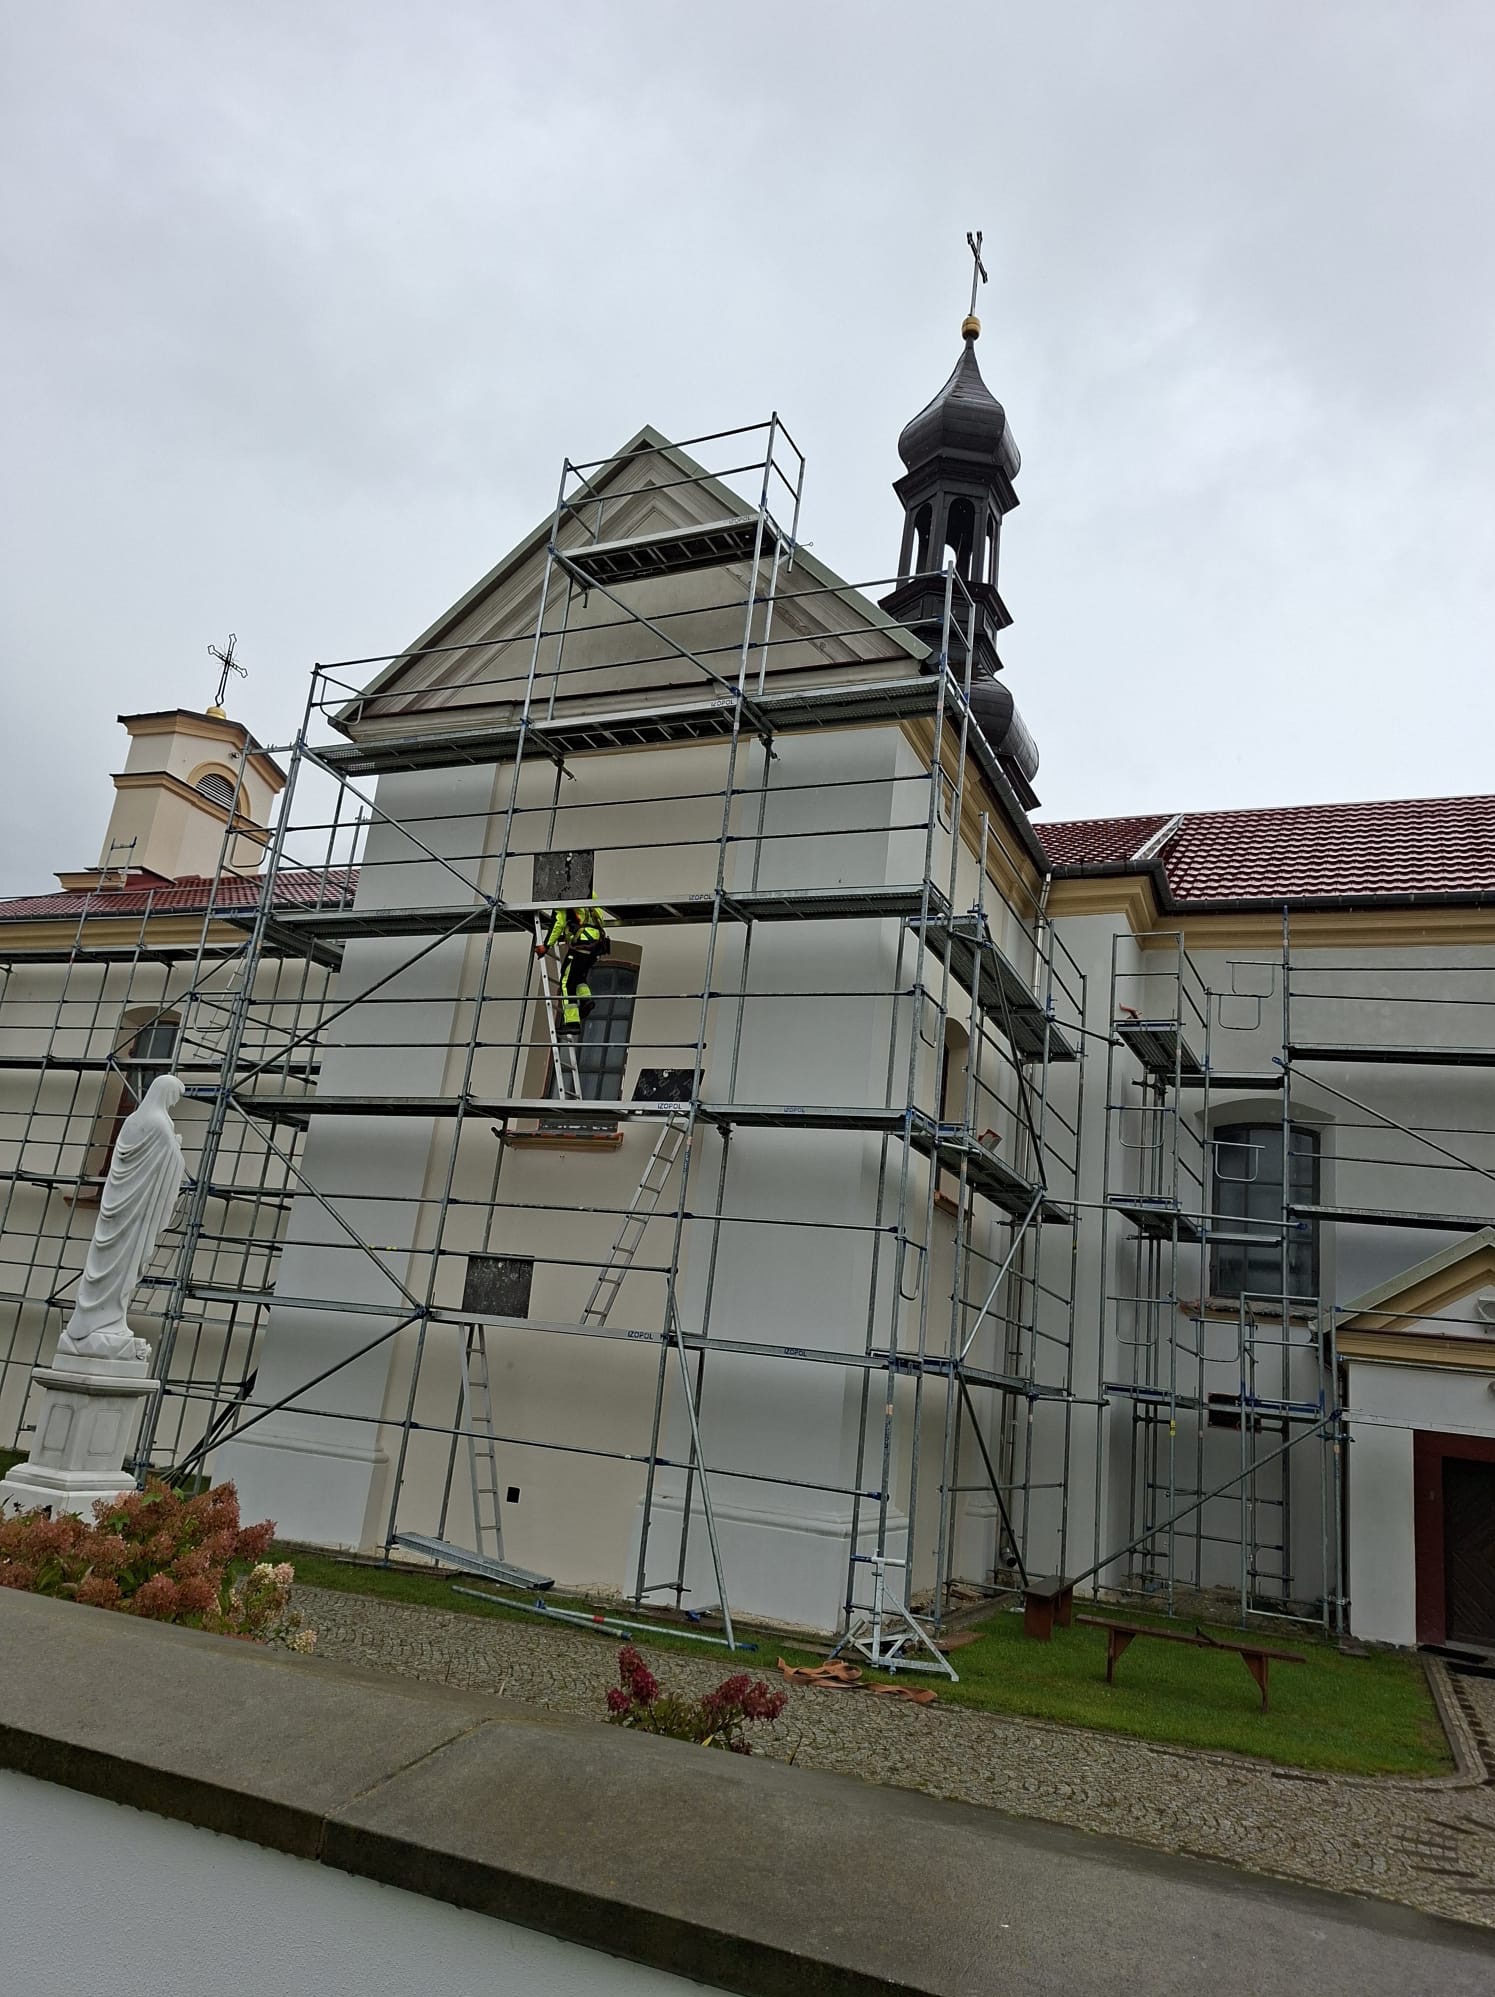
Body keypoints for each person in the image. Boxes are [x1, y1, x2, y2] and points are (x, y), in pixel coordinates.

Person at [535, 902, 615, 1039]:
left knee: (566, 982)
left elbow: (558, 923)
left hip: (582, 943)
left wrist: (546, 946)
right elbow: (598, 917)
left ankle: (572, 1022)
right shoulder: (589, 893)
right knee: (578, 977)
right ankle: (585, 1000)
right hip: (596, 945)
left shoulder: (565, 896)